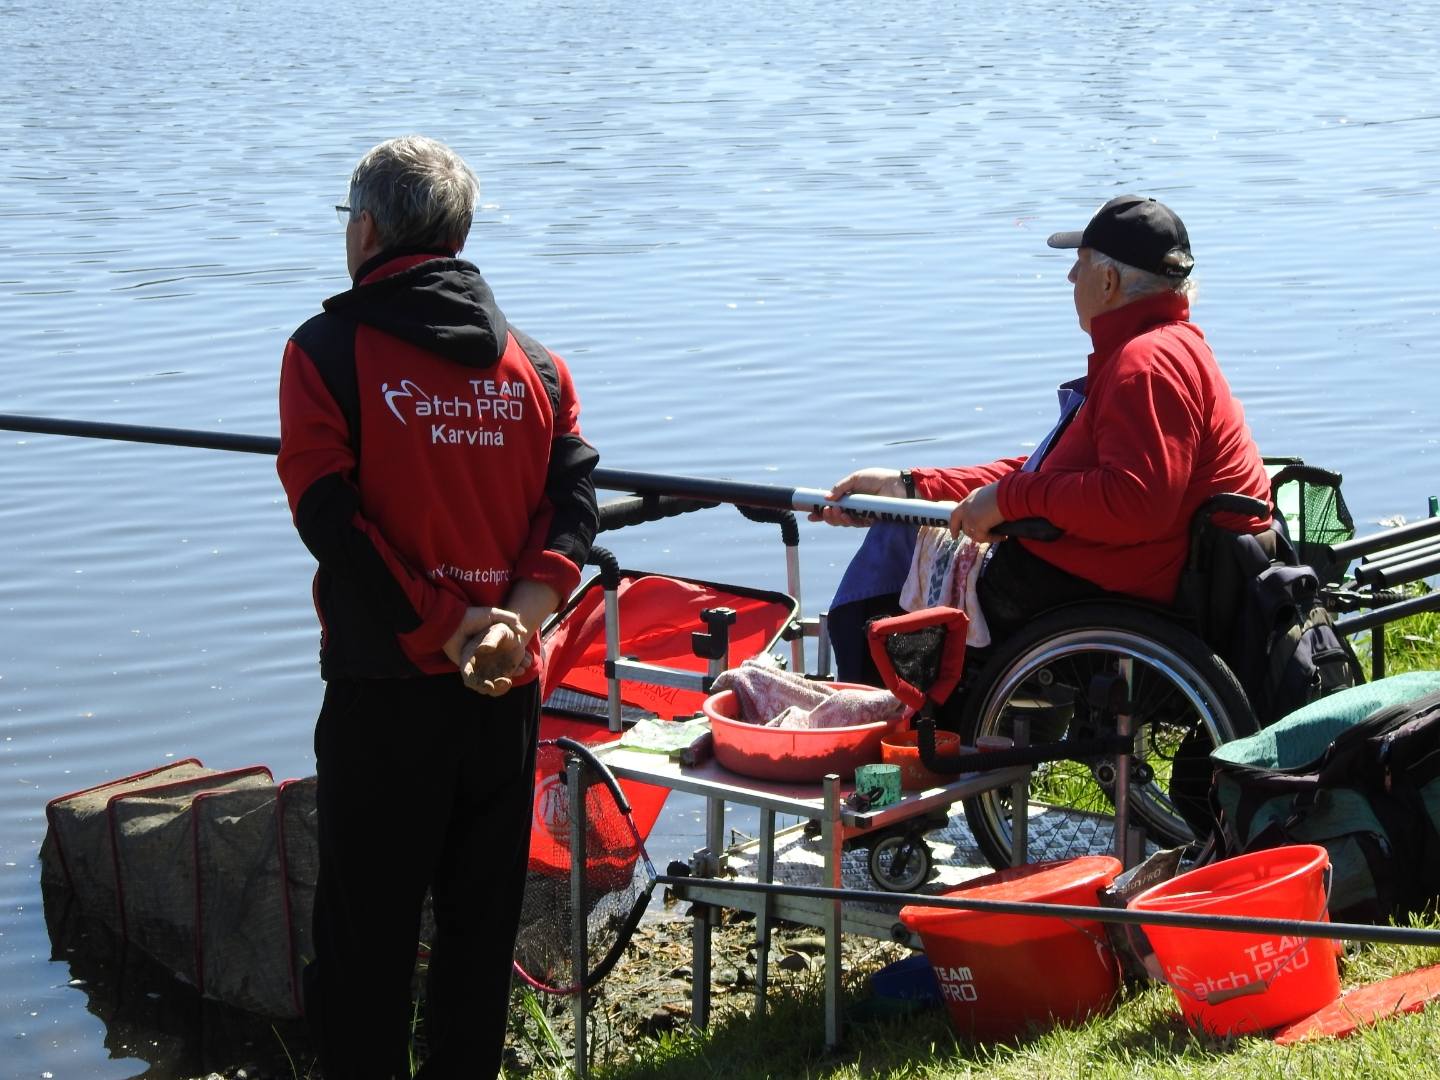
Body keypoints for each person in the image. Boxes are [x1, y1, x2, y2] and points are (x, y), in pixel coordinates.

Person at [276, 135, 599, 1079]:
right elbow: (574, 500)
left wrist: (444, 623)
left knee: (364, 942)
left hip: (388, 685)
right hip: (504, 693)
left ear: (367, 229)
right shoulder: (539, 369)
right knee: (476, 933)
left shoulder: (324, 352)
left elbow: (328, 516)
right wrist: (517, 620)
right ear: (456, 235)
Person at [814, 195, 1270, 682]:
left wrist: (1008, 500)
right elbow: (1049, 470)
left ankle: (879, 719)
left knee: (897, 552)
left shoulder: (1147, 363)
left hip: (1112, 591)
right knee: (905, 524)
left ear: (1109, 281)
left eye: (1080, 266)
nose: (1071, 280)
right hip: (1133, 572)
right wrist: (911, 485)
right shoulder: (1163, 348)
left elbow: (1136, 500)